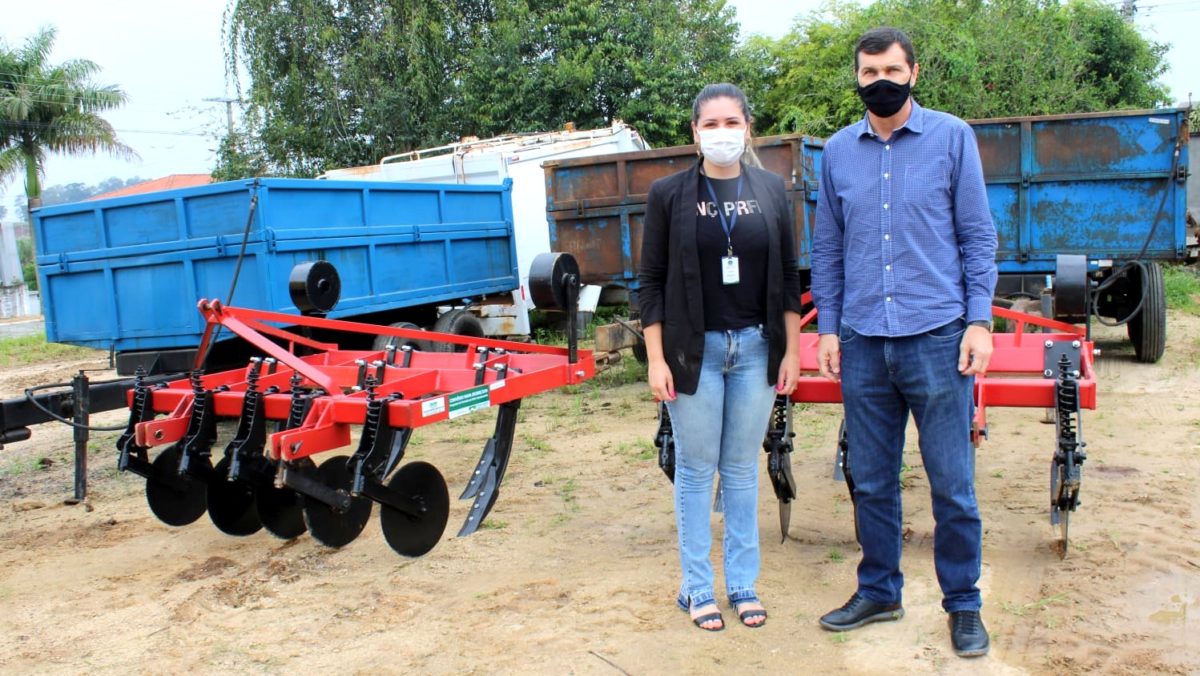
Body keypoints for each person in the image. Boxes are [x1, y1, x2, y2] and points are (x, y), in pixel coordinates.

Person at [810, 27, 998, 657]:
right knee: (870, 479)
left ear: (913, 72)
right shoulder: (837, 153)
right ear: (857, 79)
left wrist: (978, 322)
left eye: (892, 70)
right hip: (863, 341)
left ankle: (963, 604)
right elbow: (829, 250)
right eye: (869, 73)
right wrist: (829, 327)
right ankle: (880, 590)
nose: (881, 81)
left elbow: (977, 236)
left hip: (939, 339)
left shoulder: (952, 139)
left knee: (952, 485)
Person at [639, 83, 803, 632]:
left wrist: (791, 351)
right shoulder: (669, 194)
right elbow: (652, 283)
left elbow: (785, 278)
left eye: (732, 123)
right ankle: (696, 587)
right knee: (695, 469)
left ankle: (741, 583)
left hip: (756, 349)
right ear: (694, 132)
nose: (722, 133)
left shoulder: (772, 190)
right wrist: (655, 359)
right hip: (694, 352)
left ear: (748, 129)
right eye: (711, 124)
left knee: (740, 468)